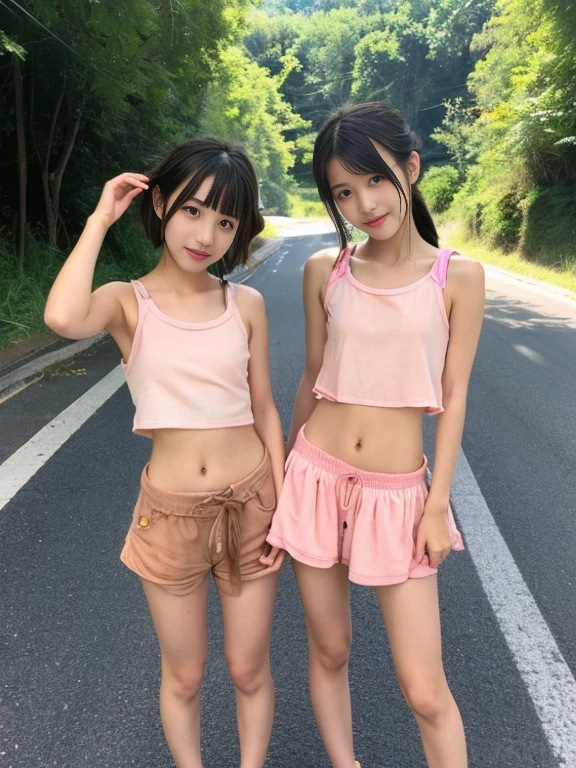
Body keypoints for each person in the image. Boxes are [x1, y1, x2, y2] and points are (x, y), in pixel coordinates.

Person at [44, 138, 285, 768]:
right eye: (193, 211)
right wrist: (99, 219)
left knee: (248, 668)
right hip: (170, 515)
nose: (206, 235)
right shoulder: (128, 302)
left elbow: (264, 408)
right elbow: (63, 317)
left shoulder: (246, 304)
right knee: (184, 675)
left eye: (226, 221)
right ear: (160, 204)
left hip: (252, 503)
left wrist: (282, 505)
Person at [267, 102, 485, 768]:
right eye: (342, 192)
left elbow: (454, 394)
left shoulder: (457, 276)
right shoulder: (325, 271)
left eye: (375, 179)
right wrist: (281, 484)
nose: (364, 203)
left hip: (399, 497)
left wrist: (438, 504)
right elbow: (311, 378)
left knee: (425, 689)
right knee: (330, 649)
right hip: (314, 475)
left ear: (410, 168)